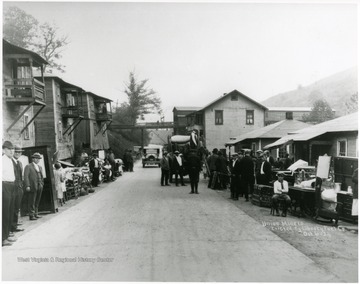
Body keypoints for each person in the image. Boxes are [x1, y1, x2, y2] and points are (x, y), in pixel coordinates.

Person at [2, 141, 17, 246]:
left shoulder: (11, 160)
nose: (12, 151)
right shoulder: (2, 160)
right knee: (4, 213)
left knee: (10, 212)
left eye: (13, 149)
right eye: (9, 149)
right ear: (3, 150)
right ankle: (2, 238)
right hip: (4, 186)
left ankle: (6, 235)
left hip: (12, 186)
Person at [24, 152, 44, 221]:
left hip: (39, 186)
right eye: (36, 158)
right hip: (32, 186)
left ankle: (36, 213)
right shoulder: (28, 166)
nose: (38, 160)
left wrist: (42, 183)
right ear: (33, 159)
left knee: (37, 200)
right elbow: (26, 177)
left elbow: (41, 176)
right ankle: (31, 215)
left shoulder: (40, 167)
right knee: (32, 201)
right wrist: (28, 185)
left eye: (39, 159)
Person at [11, 145, 25, 234]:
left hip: (19, 187)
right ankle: (11, 227)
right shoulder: (10, 162)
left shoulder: (19, 163)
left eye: (19, 152)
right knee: (11, 208)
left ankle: (14, 225)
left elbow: (21, 176)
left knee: (16, 207)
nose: (17, 153)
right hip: (12, 187)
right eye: (16, 152)